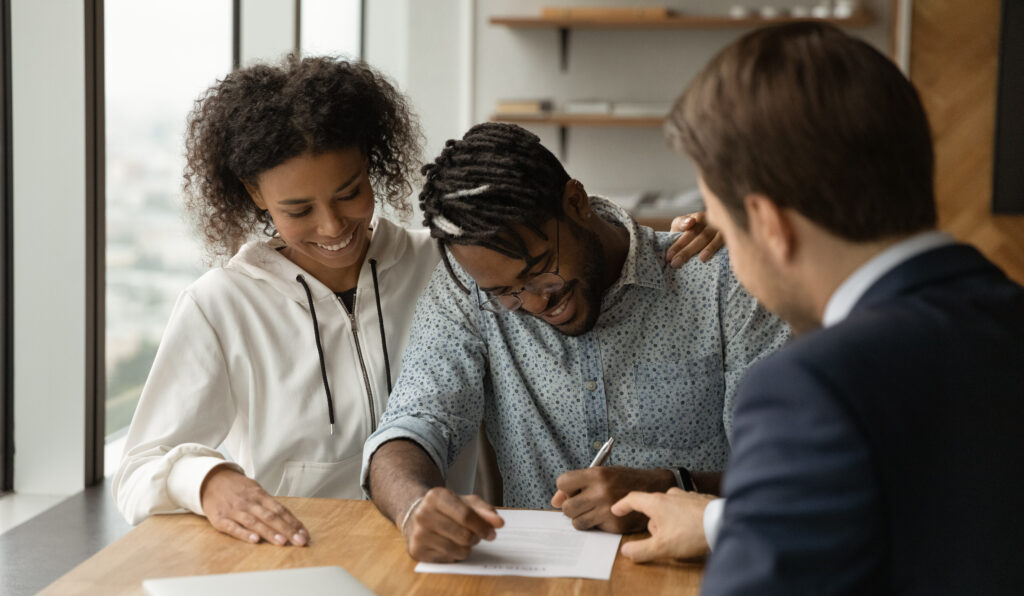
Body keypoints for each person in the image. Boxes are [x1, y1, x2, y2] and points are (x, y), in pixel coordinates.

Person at [627, 23, 1024, 596]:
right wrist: (729, 518)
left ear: (771, 225)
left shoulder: (812, 389)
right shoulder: (1003, 319)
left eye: (722, 227)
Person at [361, 122, 791, 562]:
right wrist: (414, 506)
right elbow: (411, 425)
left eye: (540, 270)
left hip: (704, 575)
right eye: (505, 292)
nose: (532, 302)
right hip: (536, 586)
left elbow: (787, 471)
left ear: (576, 202)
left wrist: (672, 487)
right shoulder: (467, 295)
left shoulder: (719, 281)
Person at [111, 55, 445, 545]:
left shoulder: (440, 267)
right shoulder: (220, 305)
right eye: (299, 209)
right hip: (296, 559)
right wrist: (207, 481)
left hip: (440, 556)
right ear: (255, 194)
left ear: (370, 164)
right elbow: (137, 471)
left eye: (349, 193)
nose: (332, 226)